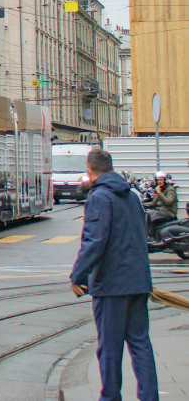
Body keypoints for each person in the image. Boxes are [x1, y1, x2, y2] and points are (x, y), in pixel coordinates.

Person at [70, 147, 158, 401]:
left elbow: (94, 241)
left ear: (89, 171)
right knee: (140, 344)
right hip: (138, 281)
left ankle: (110, 397)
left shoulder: (99, 198)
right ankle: (150, 397)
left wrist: (78, 276)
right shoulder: (132, 197)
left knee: (109, 347)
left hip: (111, 285)